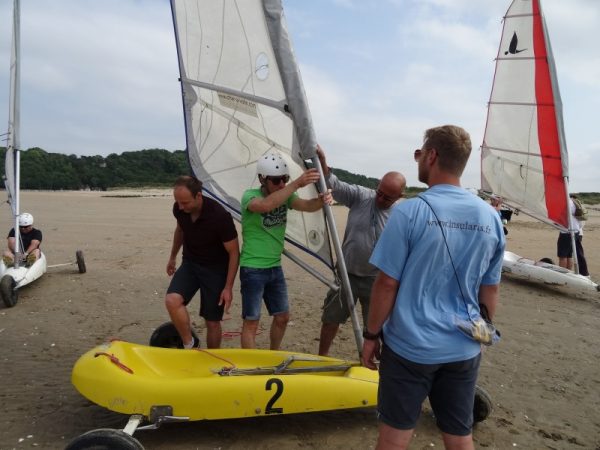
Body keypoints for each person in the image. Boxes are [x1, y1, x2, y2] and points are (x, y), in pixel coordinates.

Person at [362, 125, 505, 450]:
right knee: (458, 436)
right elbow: (490, 288)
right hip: (464, 347)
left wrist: (371, 336)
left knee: (395, 437)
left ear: (432, 155)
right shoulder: (490, 217)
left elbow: (386, 283)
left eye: (421, 153)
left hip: (411, 347)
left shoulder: (409, 211)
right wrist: (483, 332)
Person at [316, 145, 406, 356]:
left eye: (387, 197)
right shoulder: (361, 196)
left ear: (399, 196)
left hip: (376, 279)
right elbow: (333, 184)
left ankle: (372, 365)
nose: (380, 199)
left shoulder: (402, 215)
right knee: (331, 320)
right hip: (346, 273)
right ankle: (321, 357)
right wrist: (322, 161)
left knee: (375, 329)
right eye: (379, 192)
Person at [240, 151, 332, 350]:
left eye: (285, 178)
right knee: (252, 321)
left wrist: (323, 199)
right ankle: (250, 364)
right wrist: (296, 183)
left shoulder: (286, 195)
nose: (282, 184)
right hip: (253, 269)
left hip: (274, 268)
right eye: (276, 180)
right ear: (262, 179)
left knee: (282, 317)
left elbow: (307, 206)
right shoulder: (250, 196)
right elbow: (265, 206)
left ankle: (274, 353)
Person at [165, 175, 240, 349]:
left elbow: (234, 252)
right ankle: (189, 344)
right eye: (178, 202)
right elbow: (180, 230)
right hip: (191, 263)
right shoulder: (179, 209)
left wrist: (228, 287)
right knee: (172, 301)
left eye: (185, 203)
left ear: (198, 196)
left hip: (215, 269)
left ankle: (212, 358)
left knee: (212, 321)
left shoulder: (220, 216)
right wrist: (172, 256)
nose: (181, 207)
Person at [557, 194, 589, 277]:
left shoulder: (566, 203)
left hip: (566, 232)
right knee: (569, 255)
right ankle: (568, 274)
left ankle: (562, 275)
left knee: (562, 256)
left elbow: (560, 216)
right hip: (576, 232)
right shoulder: (576, 203)